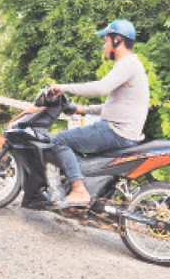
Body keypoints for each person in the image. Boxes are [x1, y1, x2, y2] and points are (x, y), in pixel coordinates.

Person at [47, 19, 150, 207]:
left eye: (106, 41)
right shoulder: (132, 65)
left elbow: (101, 88)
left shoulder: (127, 64)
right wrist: (83, 110)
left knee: (59, 140)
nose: (103, 46)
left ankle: (78, 190)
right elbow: (116, 106)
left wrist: (63, 87)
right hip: (122, 131)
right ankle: (78, 187)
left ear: (117, 40)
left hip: (115, 131)